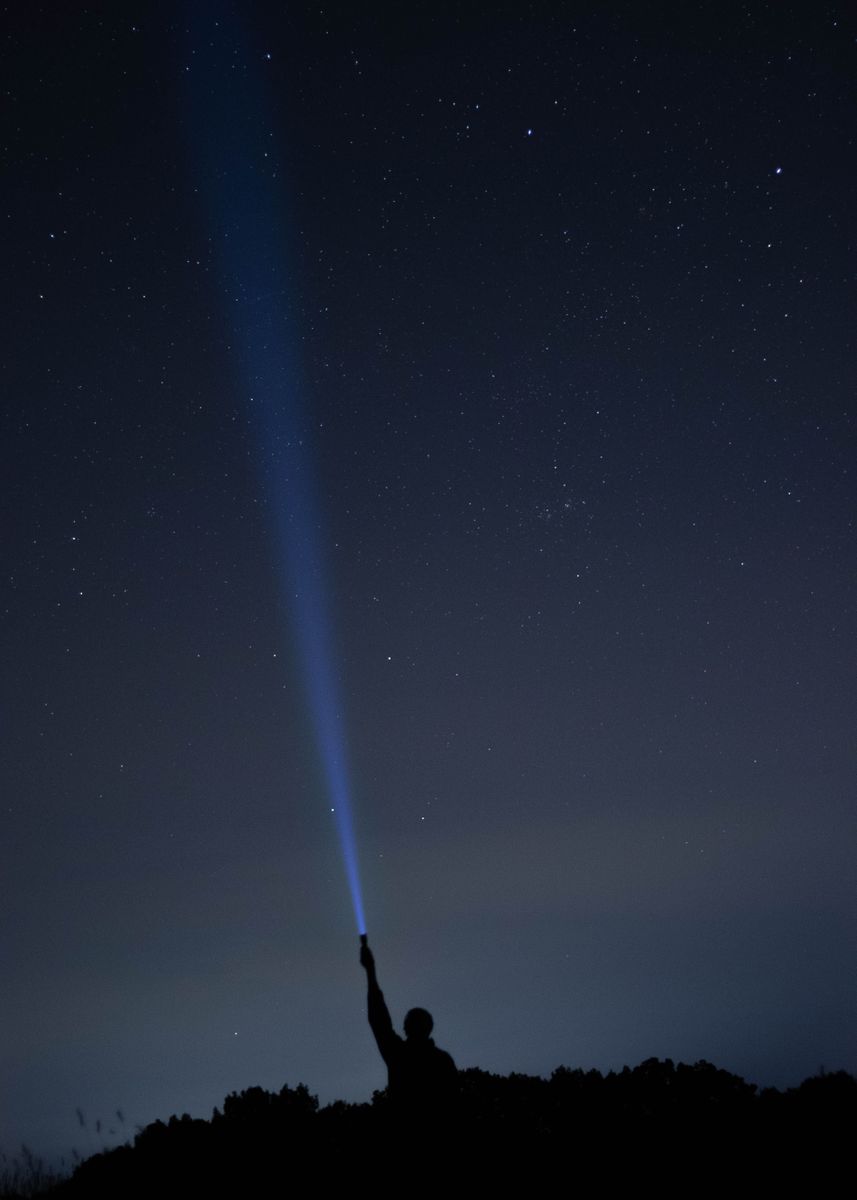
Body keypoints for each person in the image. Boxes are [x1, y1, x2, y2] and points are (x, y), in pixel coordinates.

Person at [359, 937, 458, 1119]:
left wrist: (371, 972)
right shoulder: (442, 1060)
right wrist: (370, 971)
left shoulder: (400, 1054)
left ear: (408, 1028)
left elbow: (379, 1020)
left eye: (409, 1023)